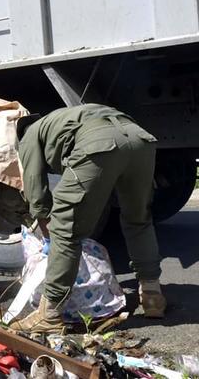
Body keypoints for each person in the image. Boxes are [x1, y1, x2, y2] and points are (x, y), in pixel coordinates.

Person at [10, 103, 166, 333]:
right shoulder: (63, 117)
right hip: (140, 139)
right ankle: (152, 294)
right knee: (138, 218)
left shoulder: (29, 135)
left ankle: (50, 313)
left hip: (101, 144)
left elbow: (35, 187)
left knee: (65, 227)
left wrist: (49, 234)